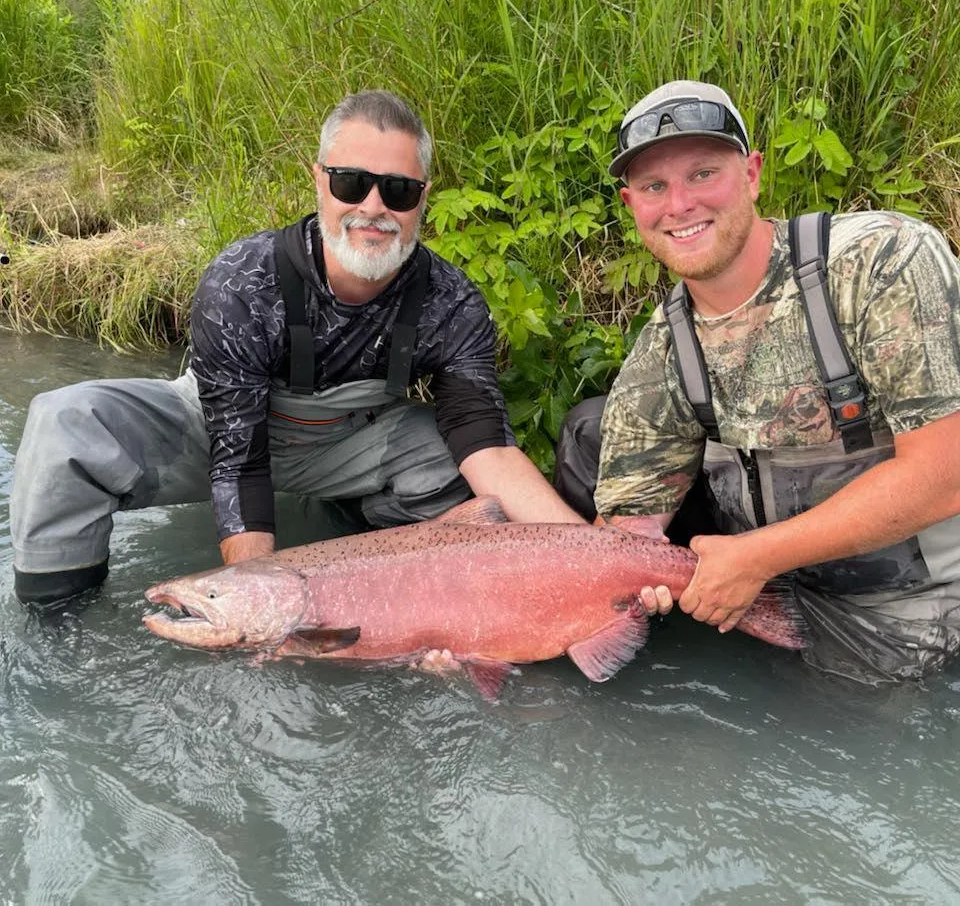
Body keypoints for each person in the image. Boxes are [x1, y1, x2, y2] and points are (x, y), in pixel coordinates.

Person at [12, 89, 621, 609]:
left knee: (456, 470)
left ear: (422, 200)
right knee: (66, 424)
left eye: (399, 191)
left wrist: (597, 555)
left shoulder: (452, 303)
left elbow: (486, 445)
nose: (374, 207)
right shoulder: (241, 280)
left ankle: (403, 597)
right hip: (218, 436)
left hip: (344, 449)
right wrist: (253, 601)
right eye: (352, 182)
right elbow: (239, 460)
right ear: (320, 180)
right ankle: (61, 620)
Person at [559, 79, 960, 684]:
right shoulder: (662, 350)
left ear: (752, 174)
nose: (679, 205)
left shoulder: (882, 261)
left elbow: (947, 475)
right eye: (654, 187)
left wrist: (755, 559)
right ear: (631, 204)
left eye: (702, 174)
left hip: (912, 608)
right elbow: (623, 537)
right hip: (766, 590)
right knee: (590, 428)